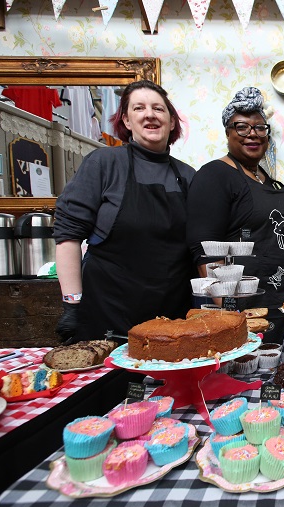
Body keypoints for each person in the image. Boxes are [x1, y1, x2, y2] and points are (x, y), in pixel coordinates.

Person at [54, 80, 196, 342]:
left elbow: (200, 246)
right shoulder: (103, 163)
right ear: (127, 121)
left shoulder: (188, 176)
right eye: (139, 108)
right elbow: (68, 235)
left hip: (172, 316)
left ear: (172, 122)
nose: (150, 114)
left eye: (159, 108)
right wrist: (72, 305)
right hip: (110, 311)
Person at [186, 87, 284, 343]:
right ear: (227, 132)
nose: (252, 134)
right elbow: (205, 250)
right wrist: (229, 316)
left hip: (281, 307)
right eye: (242, 127)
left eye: (260, 128)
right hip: (244, 313)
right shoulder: (215, 175)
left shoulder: (269, 181)